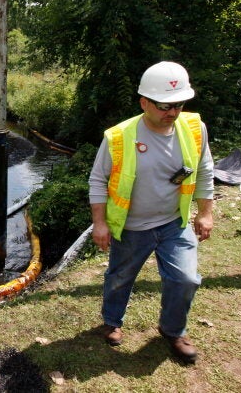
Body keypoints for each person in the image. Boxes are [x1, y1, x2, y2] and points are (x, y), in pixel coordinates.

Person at [88, 61, 214, 363]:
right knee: (120, 277)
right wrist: (100, 223)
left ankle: (173, 330)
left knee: (185, 279)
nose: (172, 112)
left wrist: (205, 212)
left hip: (174, 222)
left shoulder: (195, 129)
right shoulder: (119, 137)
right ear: (144, 102)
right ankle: (112, 321)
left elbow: (205, 170)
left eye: (178, 104)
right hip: (132, 227)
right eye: (164, 105)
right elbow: (97, 179)